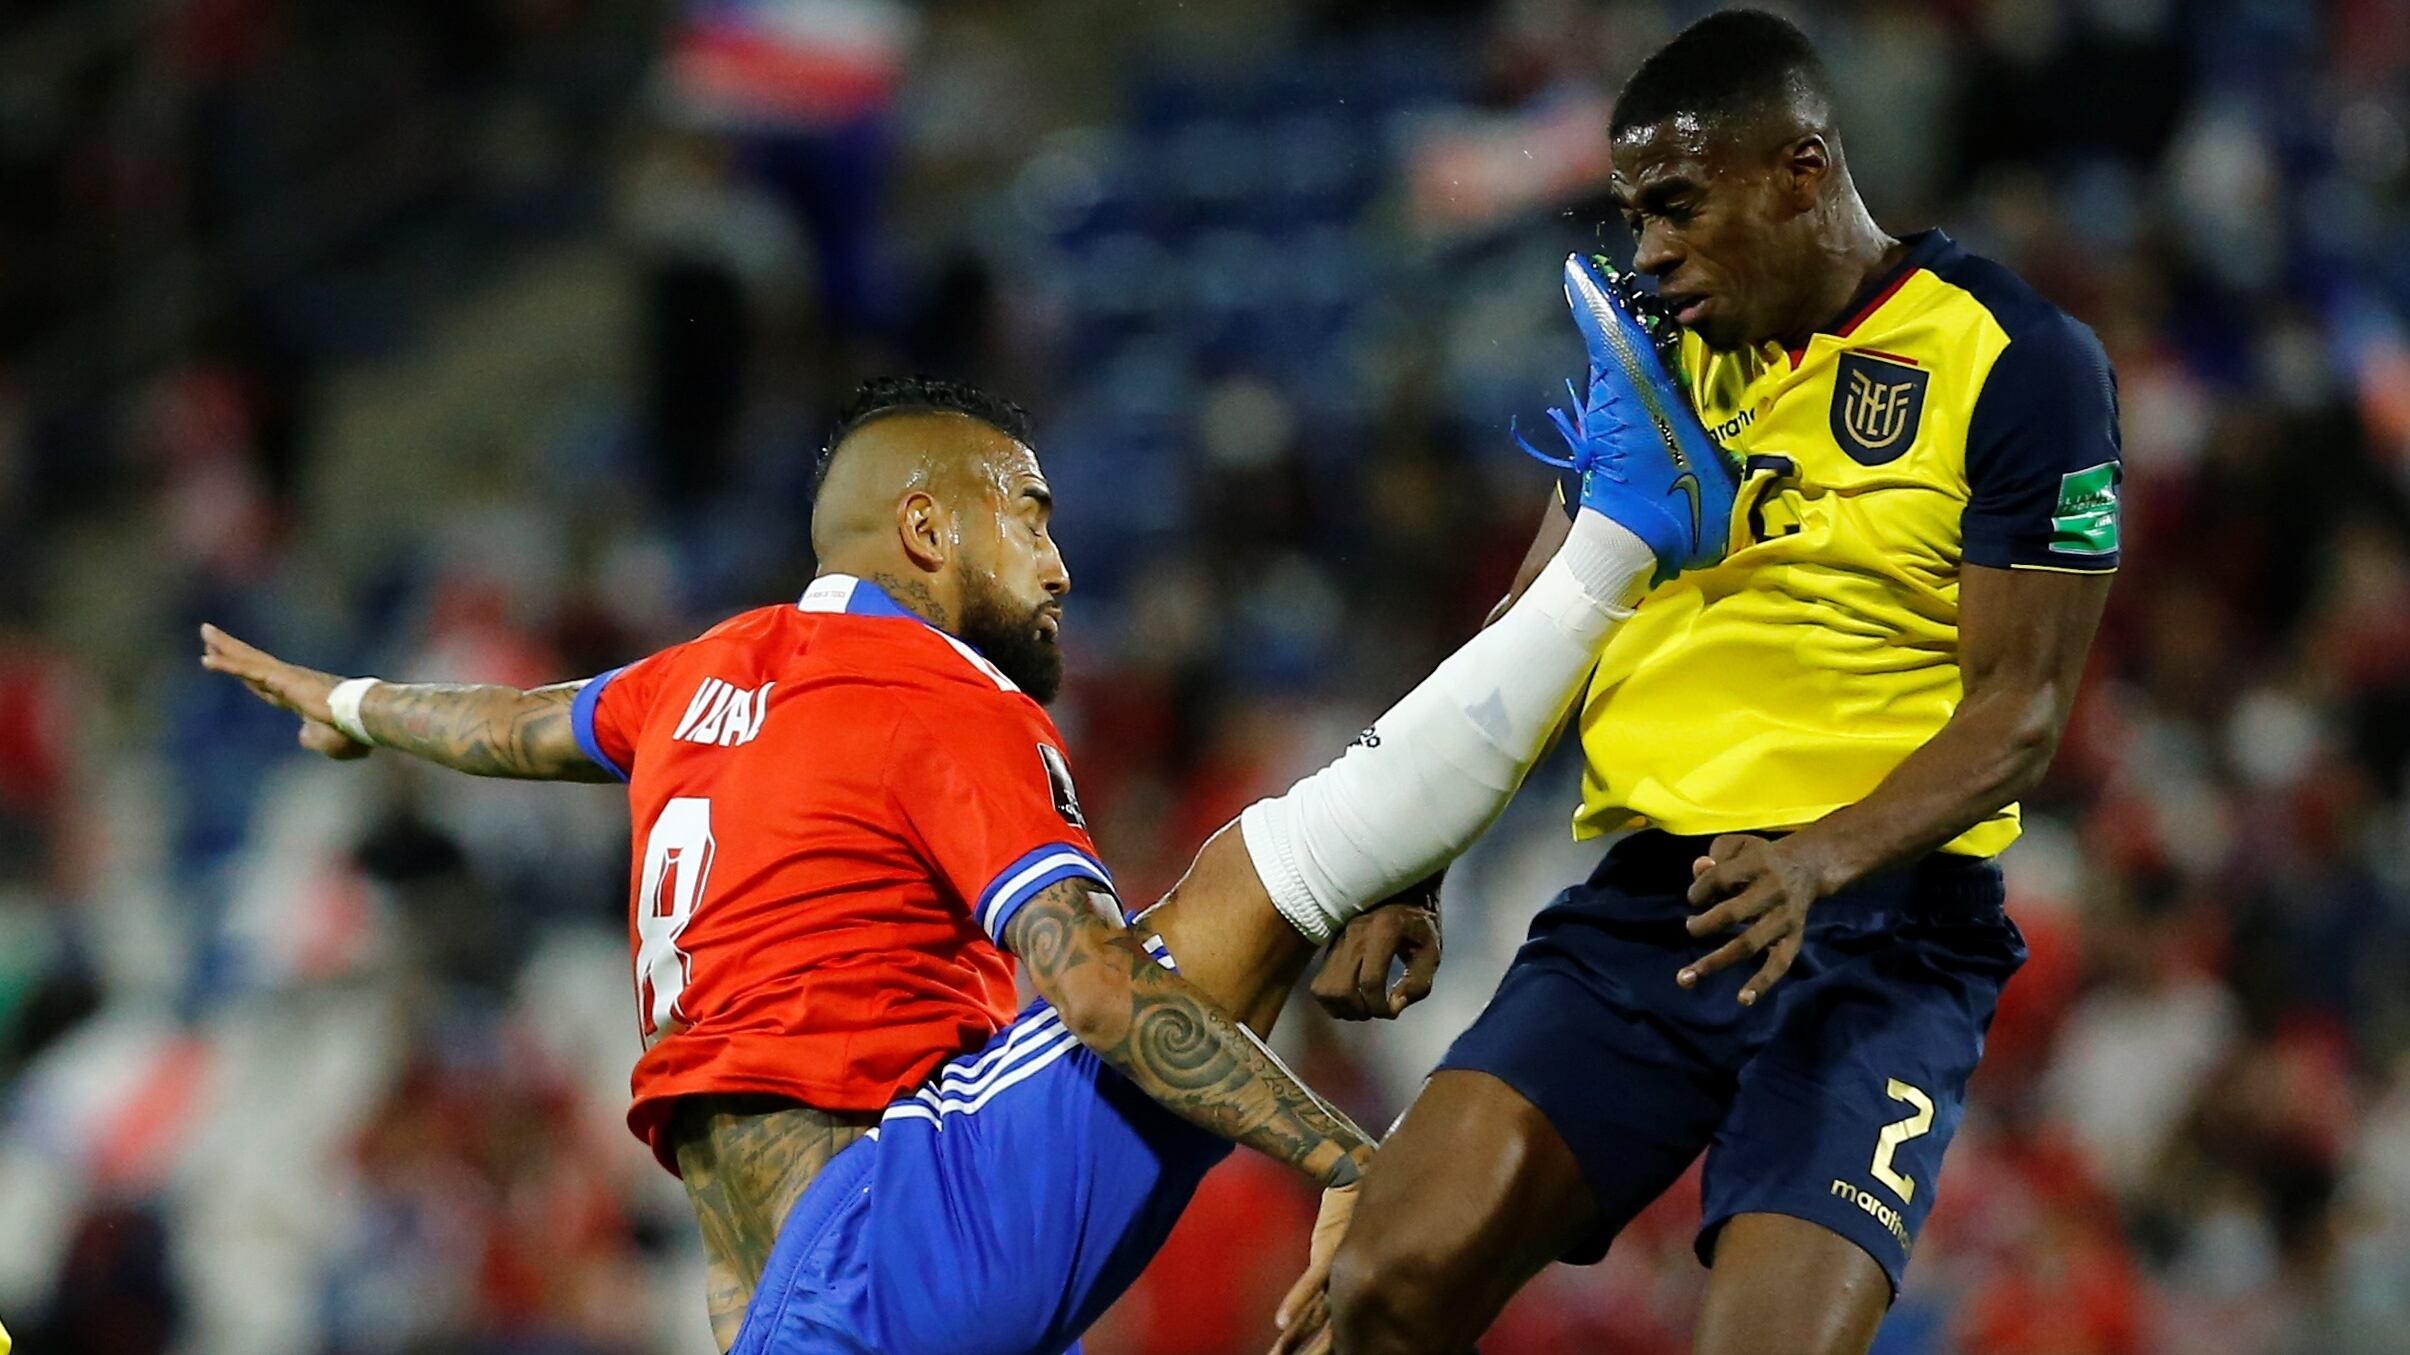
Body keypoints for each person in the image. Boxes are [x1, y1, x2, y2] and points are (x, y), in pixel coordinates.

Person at [201, 330, 1734, 1355]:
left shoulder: (703, 675)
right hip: (893, 1246)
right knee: (1236, 889)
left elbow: (517, 726)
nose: (1062, 563)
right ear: (929, 532)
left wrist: (348, 703)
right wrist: (1350, 1160)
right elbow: (1097, 992)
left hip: (790, 1304)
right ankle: (1621, 530)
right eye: (1031, 516)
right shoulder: (939, 696)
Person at [1301, 11, 2123, 1355]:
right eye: (1631, 216)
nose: (1650, 254)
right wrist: (1416, 856)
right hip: (1648, 912)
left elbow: (2019, 716)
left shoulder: (2022, 363)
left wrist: (1812, 859)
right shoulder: (1661, 353)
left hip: (1886, 938)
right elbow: (1535, 616)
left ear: (1800, 172)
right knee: (1380, 1284)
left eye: (1676, 208)